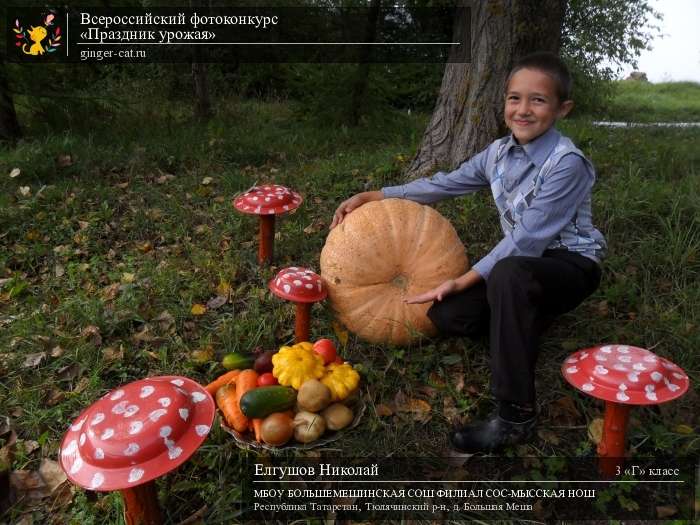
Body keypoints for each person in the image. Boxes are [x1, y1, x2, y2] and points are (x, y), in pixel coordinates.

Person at [329, 52, 607, 453]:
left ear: (563, 108)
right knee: (447, 313)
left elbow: (527, 240)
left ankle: (515, 416)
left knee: (509, 274)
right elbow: (446, 183)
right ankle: (524, 320)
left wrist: (463, 278)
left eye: (538, 100)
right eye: (514, 98)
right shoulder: (497, 154)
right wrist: (380, 194)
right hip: (522, 266)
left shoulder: (568, 164)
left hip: (569, 266)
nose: (523, 110)